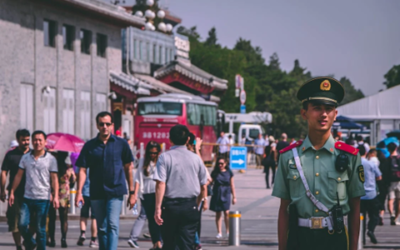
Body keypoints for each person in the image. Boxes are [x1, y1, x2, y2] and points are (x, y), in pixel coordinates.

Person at [272, 77, 365, 250]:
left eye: (329, 109)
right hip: (298, 238)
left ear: (335, 114)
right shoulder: (288, 157)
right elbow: (284, 209)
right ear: (304, 113)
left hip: (334, 239)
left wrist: (353, 248)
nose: (323, 114)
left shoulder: (350, 156)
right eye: (316, 108)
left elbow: (355, 208)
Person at [75, 111, 135, 250]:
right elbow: (82, 169)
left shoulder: (121, 144)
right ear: (97, 125)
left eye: (108, 124)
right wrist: (79, 192)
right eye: (101, 124)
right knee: (101, 227)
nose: (105, 127)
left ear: (112, 125)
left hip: (115, 191)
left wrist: (132, 192)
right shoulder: (90, 146)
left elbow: (128, 168)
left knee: (113, 225)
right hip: (96, 192)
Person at [154, 125, 208, 250]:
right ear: (188, 139)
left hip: (170, 206)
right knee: (187, 244)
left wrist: (157, 208)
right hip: (190, 205)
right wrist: (198, 203)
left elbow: (160, 183)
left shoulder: (164, 157)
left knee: (169, 244)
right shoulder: (196, 159)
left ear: (170, 139)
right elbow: (203, 184)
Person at [9, 130, 60, 250]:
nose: (37, 142)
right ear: (32, 142)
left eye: (40, 140)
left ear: (45, 142)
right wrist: (11, 191)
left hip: (43, 198)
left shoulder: (51, 159)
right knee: (21, 224)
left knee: (40, 229)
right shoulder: (26, 158)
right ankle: (31, 242)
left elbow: (54, 179)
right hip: (28, 198)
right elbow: (18, 175)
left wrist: (56, 196)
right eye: (35, 140)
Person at [0, 129, 31, 250]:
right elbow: (4, 172)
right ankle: (18, 245)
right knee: (15, 222)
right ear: (18, 140)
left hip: (32, 193)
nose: (26, 142)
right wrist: (2, 190)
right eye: (23, 140)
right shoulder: (11, 155)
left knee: (33, 221)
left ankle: (27, 239)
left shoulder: (33, 154)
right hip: (15, 194)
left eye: (28, 140)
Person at [130, 141, 162, 250]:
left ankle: (159, 242)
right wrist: (134, 194)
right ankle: (156, 243)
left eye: (155, 153)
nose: (152, 155)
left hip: (158, 194)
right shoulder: (143, 161)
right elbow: (138, 179)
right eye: (150, 153)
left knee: (159, 219)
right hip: (146, 194)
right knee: (151, 220)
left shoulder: (161, 161)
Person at [187, 134, 212, 250]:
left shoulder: (193, 156)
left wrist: (205, 199)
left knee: (194, 221)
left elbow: (206, 177)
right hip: (188, 194)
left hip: (196, 196)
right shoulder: (187, 155)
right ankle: (194, 242)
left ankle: (195, 242)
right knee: (191, 221)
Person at [47, 151, 76, 248]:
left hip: (52, 193)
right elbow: (73, 182)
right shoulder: (69, 168)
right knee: (64, 219)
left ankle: (52, 240)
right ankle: (63, 239)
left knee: (52, 218)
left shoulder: (52, 167)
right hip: (64, 195)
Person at [359, 145, 382, 244]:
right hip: (371, 194)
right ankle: (370, 230)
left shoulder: (353, 164)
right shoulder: (371, 164)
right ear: (366, 152)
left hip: (358, 195)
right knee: (374, 216)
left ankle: (360, 236)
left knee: (358, 217)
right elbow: (379, 177)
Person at [210, 157, 236, 239]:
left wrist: (234, 196)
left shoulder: (229, 172)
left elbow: (232, 185)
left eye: (222, 163)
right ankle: (219, 232)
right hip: (217, 193)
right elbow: (210, 182)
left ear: (225, 163)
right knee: (218, 213)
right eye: (218, 163)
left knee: (226, 212)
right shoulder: (215, 172)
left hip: (226, 193)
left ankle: (228, 231)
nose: (220, 165)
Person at [75, 165, 98, 248]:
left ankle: (83, 233)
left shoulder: (83, 161)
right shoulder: (97, 160)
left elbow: (77, 174)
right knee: (94, 218)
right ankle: (93, 240)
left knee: (83, 216)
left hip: (84, 193)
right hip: (96, 193)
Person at [384, 142, 400, 226]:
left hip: (390, 181)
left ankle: (392, 214)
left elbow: (385, 172)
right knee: (399, 200)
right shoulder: (399, 158)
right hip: (399, 181)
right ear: (396, 148)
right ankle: (396, 218)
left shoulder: (387, 159)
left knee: (390, 199)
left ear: (388, 149)